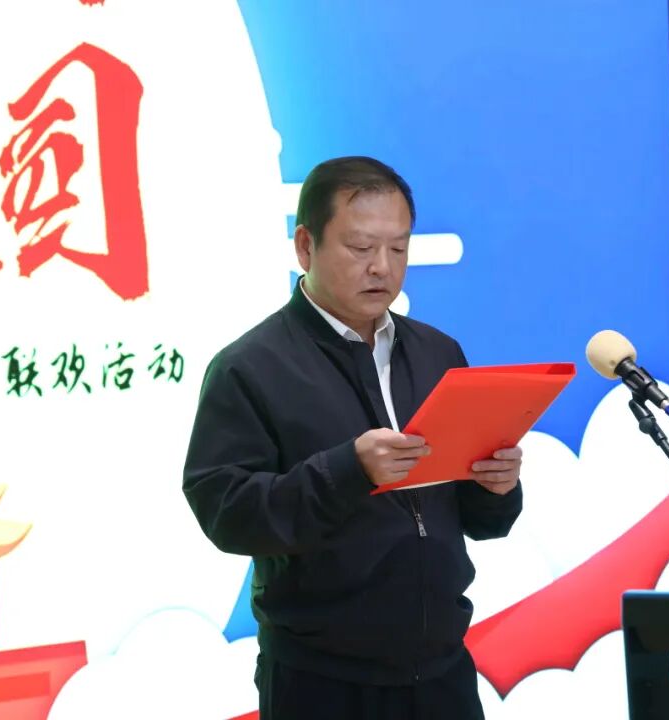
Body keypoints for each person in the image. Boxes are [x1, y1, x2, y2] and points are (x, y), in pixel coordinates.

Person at [183, 156, 523, 719]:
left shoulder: (438, 352)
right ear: (305, 246)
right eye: (361, 247)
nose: (382, 268)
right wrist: (348, 471)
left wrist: (497, 486)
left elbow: (480, 520)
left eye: (398, 248)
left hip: (443, 672)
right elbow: (226, 512)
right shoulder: (249, 367)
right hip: (322, 683)